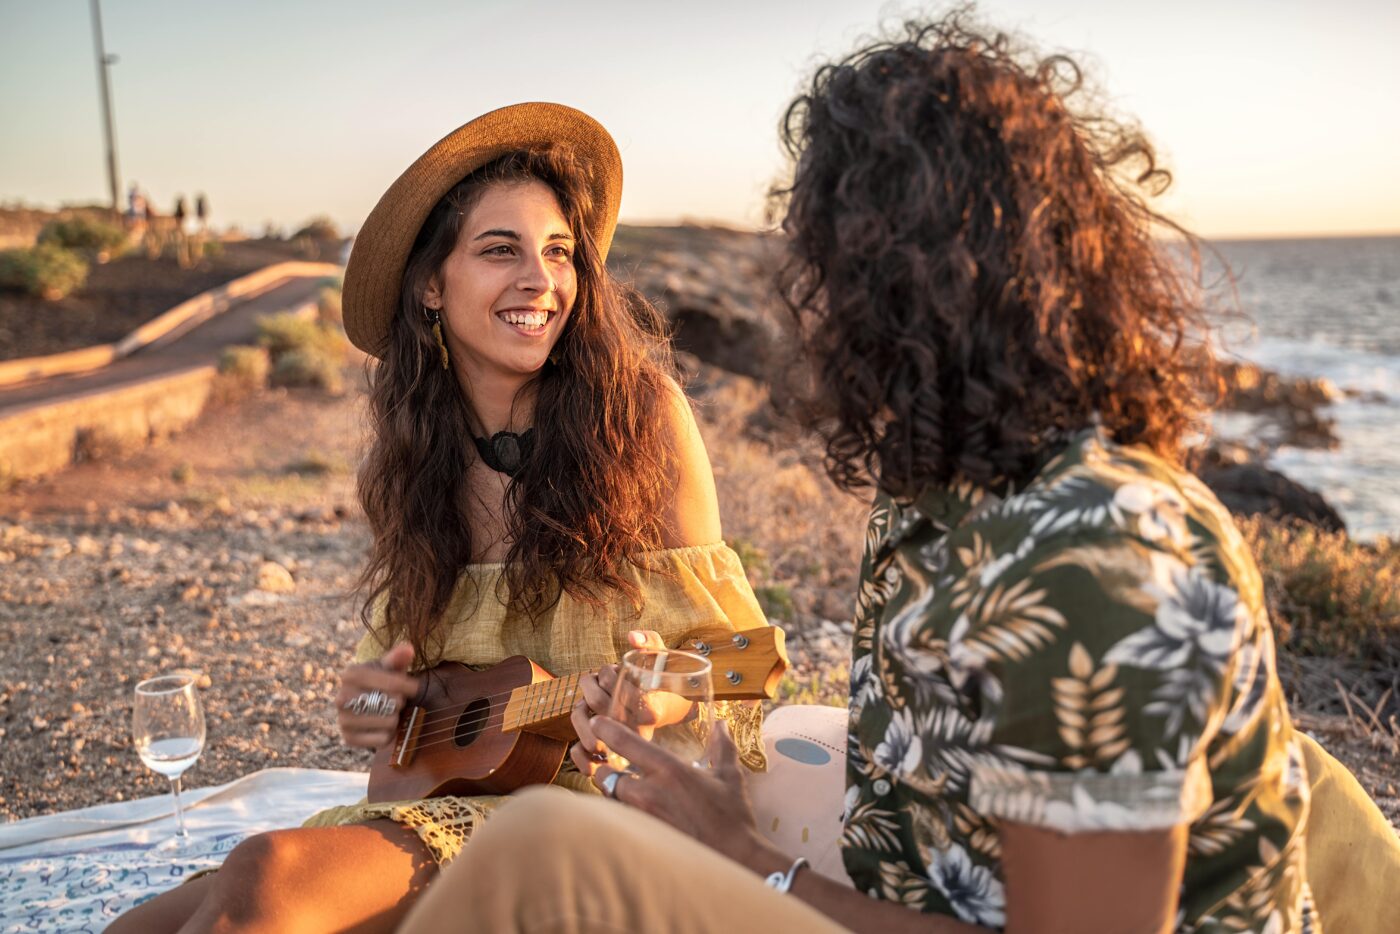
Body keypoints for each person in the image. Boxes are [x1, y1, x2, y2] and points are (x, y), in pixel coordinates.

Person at [402, 15, 1398, 934]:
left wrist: (747, 860)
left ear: (910, 279)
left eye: (824, 251)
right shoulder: (941, 490)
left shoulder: (1095, 558)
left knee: (541, 848)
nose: (801, 289)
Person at [109, 103, 770, 932]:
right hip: (452, 802)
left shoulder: (643, 420)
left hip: (593, 810)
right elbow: (391, 704)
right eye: (501, 250)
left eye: (558, 252)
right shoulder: (419, 458)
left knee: (267, 876)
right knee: (139, 925)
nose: (541, 280)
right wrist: (371, 707)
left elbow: (745, 659)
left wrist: (652, 702)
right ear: (431, 283)